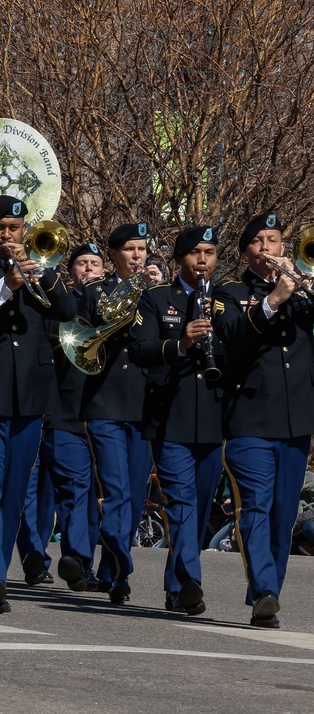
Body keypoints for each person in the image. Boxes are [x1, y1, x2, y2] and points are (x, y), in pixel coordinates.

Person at [0, 195, 76, 613]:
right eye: (0, 229)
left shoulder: (41, 265)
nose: (8, 236)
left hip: (28, 397)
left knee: (11, 493)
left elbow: (67, 310)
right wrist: (5, 287)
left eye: (15, 227)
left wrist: (40, 276)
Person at [211, 211, 314, 628]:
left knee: (283, 513)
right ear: (246, 251)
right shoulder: (230, 292)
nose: (268, 248)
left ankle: (266, 593)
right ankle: (266, 590)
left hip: (295, 422)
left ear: (284, 248)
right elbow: (231, 334)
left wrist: (302, 290)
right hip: (248, 419)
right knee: (255, 505)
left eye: (274, 240)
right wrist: (273, 300)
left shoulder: (305, 292)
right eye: (258, 241)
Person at [129, 226, 224, 616]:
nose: (203, 261)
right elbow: (140, 349)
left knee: (199, 507)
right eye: (195, 253)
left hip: (213, 417)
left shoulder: (225, 300)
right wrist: (180, 343)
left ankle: (174, 586)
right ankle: (190, 582)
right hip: (169, 415)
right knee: (181, 503)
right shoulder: (156, 299)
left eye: (210, 252)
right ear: (179, 259)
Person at [76, 222, 154, 604]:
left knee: (135, 496)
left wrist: (155, 293)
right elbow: (86, 331)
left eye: (142, 249)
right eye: (129, 249)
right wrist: (129, 293)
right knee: (116, 491)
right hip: (104, 401)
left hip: (144, 404)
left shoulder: (158, 293)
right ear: (113, 256)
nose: (138, 256)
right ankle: (122, 570)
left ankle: (109, 571)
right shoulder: (96, 292)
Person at [42, 242, 105, 592]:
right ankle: (78, 558)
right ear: (71, 273)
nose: (90, 270)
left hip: (105, 413)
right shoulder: (59, 308)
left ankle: (92, 563)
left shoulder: (116, 305)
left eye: (95, 264)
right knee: (74, 489)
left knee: (100, 494)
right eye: (82, 264)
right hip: (65, 414)